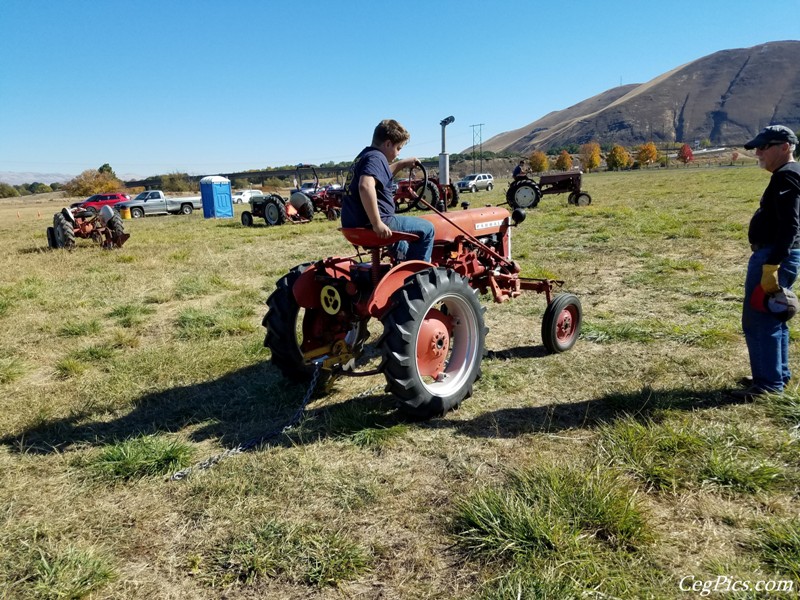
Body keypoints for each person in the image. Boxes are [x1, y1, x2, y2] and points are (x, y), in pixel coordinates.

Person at [735, 124, 800, 400]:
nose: (758, 152)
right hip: (778, 254)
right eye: (757, 147)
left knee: (760, 319)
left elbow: (790, 225)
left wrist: (772, 265)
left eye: (764, 147)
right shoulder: (788, 174)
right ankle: (776, 375)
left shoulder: (787, 176)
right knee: (775, 314)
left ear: (785, 147)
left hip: (775, 255)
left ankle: (768, 385)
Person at [341, 119, 434, 262]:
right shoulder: (376, 157)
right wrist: (377, 223)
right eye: (398, 148)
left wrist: (402, 164)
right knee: (427, 229)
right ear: (388, 143)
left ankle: (402, 264)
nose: (398, 153)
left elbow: (381, 174)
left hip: (351, 223)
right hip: (372, 223)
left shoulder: (364, 156)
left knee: (401, 240)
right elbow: (365, 186)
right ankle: (417, 277)